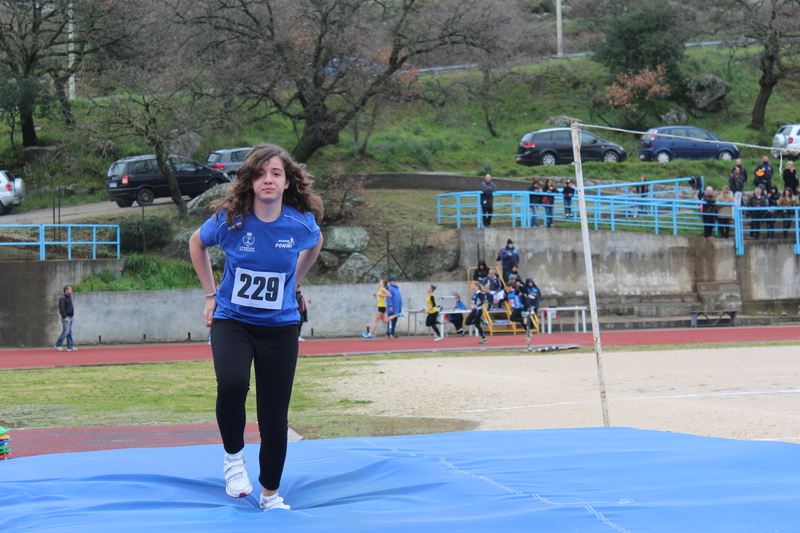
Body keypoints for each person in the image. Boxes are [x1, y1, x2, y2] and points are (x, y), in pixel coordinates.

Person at [189, 143, 324, 511]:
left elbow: (316, 242)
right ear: (250, 181)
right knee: (232, 383)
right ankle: (233, 458)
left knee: (273, 415)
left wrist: (294, 280)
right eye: (261, 173)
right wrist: (209, 296)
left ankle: (269, 495)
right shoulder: (231, 220)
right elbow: (196, 243)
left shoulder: (298, 224)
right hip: (232, 320)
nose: (268, 179)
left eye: (276, 173)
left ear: (286, 182)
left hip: (280, 327)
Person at [54, 285, 77, 352]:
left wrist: (72, 316)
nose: (71, 291)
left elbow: (70, 307)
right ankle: (58, 345)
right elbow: (62, 309)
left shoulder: (69, 297)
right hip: (66, 317)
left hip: (70, 317)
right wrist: (65, 317)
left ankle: (70, 346)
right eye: (70, 289)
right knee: (66, 332)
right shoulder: (62, 298)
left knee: (70, 332)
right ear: (66, 290)